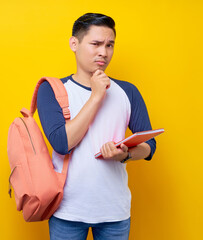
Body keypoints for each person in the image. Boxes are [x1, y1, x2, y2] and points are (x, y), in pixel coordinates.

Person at [37, 12, 157, 240]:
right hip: (67, 212)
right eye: (96, 44)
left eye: (110, 45)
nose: (104, 52)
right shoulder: (52, 90)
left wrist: (125, 154)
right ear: (75, 43)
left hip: (115, 213)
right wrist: (96, 96)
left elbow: (150, 145)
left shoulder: (127, 91)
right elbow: (63, 143)